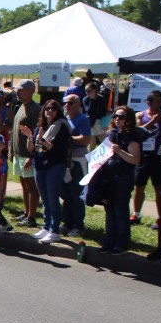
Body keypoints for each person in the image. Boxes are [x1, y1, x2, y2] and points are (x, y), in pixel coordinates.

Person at [95, 107, 142, 254]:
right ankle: (109, 241)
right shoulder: (112, 134)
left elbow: (135, 159)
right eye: (115, 116)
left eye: (121, 117)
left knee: (120, 212)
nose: (117, 119)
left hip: (123, 178)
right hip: (109, 178)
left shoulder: (132, 137)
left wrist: (120, 151)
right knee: (109, 211)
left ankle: (121, 244)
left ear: (129, 119)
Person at [22, 99, 71, 244]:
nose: (50, 111)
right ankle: (46, 226)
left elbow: (58, 150)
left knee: (52, 198)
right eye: (47, 108)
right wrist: (29, 136)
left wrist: (42, 140)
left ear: (58, 111)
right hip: (40, 165)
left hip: (55, 165)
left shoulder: (61, 126)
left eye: (53, 109)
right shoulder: (40, 127)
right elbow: (31, 149)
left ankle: (54, 230)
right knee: (45, 199)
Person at [132, 90, 161, 226]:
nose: (160, 104)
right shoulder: (140, 115)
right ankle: (136, 215)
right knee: (139, 187)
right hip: (143, 157)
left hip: (158, 158)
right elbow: (136, 132)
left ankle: (160, 218)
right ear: (149, 103)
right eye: (157, 101)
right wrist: (152, 122)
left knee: (158, 188)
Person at [9, 80, 41, 227]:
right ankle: (26, 212)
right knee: (24, 185)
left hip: (27, 154)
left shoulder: (35, 110)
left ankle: (32, 217)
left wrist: (31, 156)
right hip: (18, 153)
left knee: (31, 186)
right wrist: (11, 149)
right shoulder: (21, 106)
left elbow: (36, 134)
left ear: (30, 91)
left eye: (21, 90)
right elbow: (14, 130)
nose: (18, 93)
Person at [61, 94, 92, 236]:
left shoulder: (82, 119)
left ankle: (78, 225)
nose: (67, 105)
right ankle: (67, 223)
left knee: (76, 194)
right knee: (66, 194)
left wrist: (68, 138)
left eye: (70, 103)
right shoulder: (65, 119)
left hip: (78, 161)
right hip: (66, 161)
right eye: (65, 103)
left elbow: (85, 139)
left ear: (78, 104)